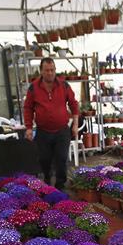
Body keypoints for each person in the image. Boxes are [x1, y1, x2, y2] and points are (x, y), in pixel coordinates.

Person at [23, 58, 80, 189]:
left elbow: (74, 105)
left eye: (52, 70)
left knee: (61, 159)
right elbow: (28, 108)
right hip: (43, 131)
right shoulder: (33, 88)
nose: (50, 73)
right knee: (44, 160)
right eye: (47, 70)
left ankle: (61, 186)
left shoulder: (64, 85)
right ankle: (47, 183)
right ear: (41, 71)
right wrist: (29, 128)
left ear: (55, 70)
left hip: (62, 131)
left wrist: (75, 124)